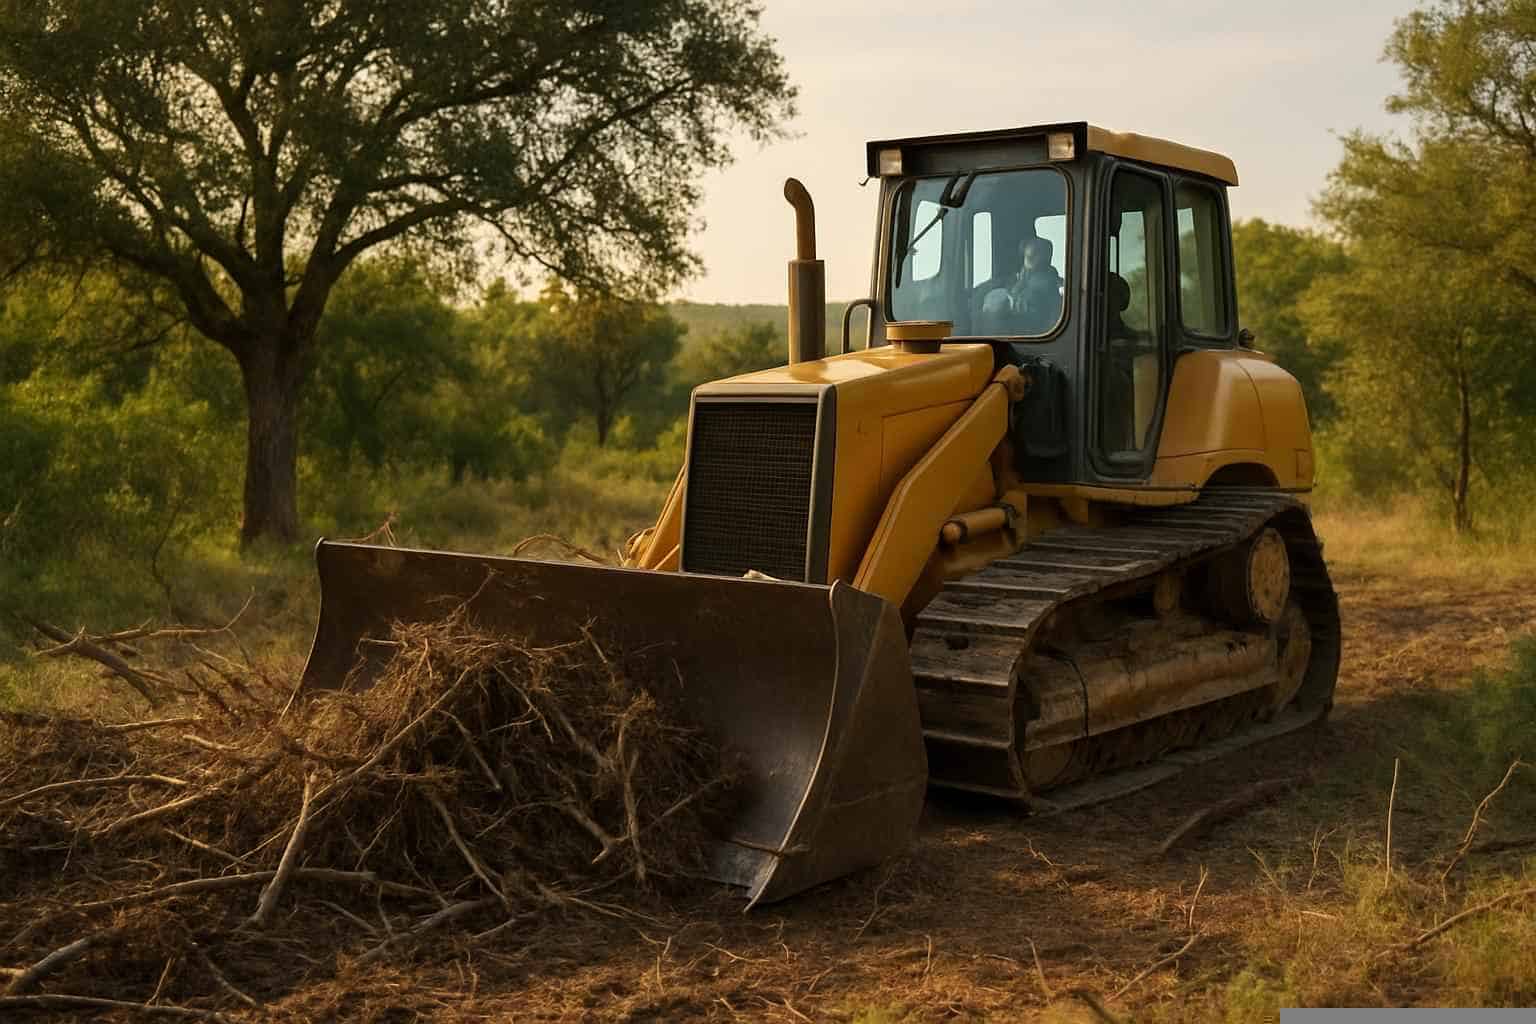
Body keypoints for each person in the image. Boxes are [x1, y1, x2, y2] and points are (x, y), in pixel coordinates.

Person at [1009, 237, 1063, 331]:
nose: (1028, 257)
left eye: (1031, 255)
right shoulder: (1024, 278)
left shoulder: (1043, 284)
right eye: (1026, 255)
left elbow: (1020, 310)